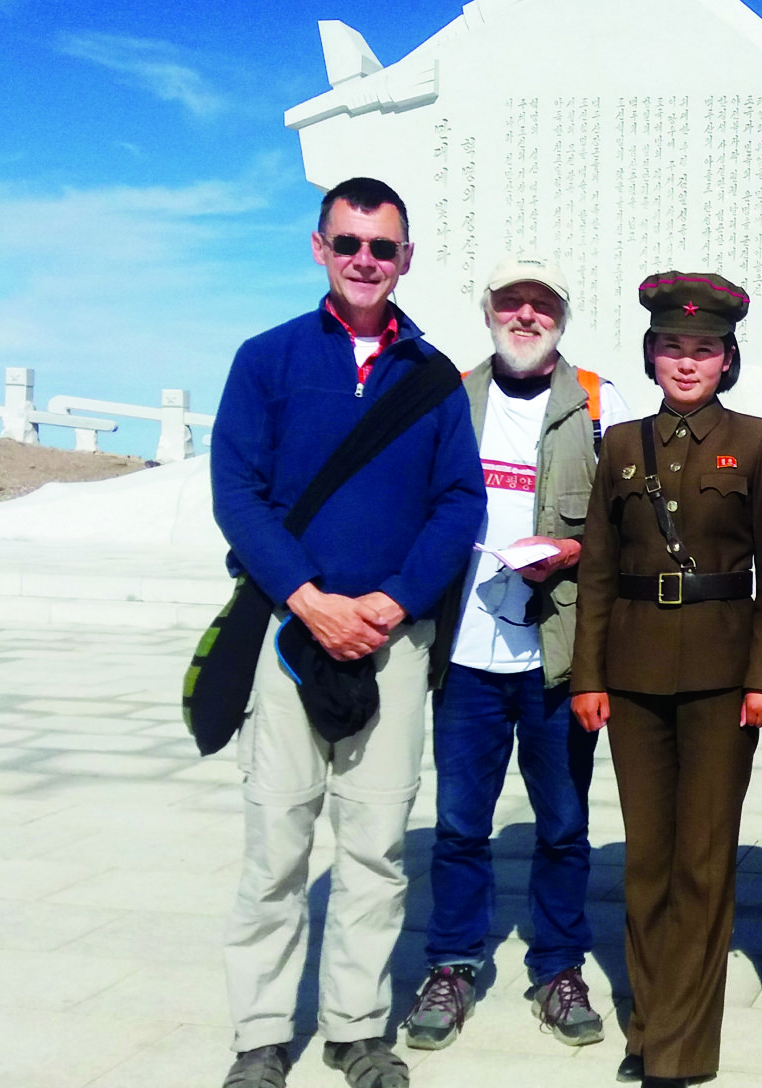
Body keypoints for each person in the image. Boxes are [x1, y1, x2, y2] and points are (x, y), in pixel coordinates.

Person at [210, 177, 485, 1088]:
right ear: (320, 248)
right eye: (349, 243)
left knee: (374, 846)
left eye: (384, 247)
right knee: (277, 843)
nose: (366, 260)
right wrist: (308, 597)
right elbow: (237, 494)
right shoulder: (268, 359)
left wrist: (397, 601)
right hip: (291, 636)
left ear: (406, 259)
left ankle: (357, 1027)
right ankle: (259, 1034)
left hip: (393, 644)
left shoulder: (435, 377)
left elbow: (458, 503)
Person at [570, 271, 762, 1088]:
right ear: (651, 354)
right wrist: (587, 676)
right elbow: (597, 568)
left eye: (703, 349)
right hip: (630, 672)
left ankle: (679, 1049)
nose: (687, 362)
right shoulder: (621, 444)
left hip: (722, 675)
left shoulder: (759, 440)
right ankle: (649, 1020)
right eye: (672, 347)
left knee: (703, 859)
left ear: (726, 359)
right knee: (646, 862)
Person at [403, 255, 631, 1053]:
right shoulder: (449, 399)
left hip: (556, 654)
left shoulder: (600, 404)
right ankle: (455, 962)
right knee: (461, 823)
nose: (526, 316)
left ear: (562, 318)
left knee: (565, 825)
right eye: (512, 302)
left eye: (542, 305)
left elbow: (624, 524)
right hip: (463, 655)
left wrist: (570, 553)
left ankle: (558, 965)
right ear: (489, 311)